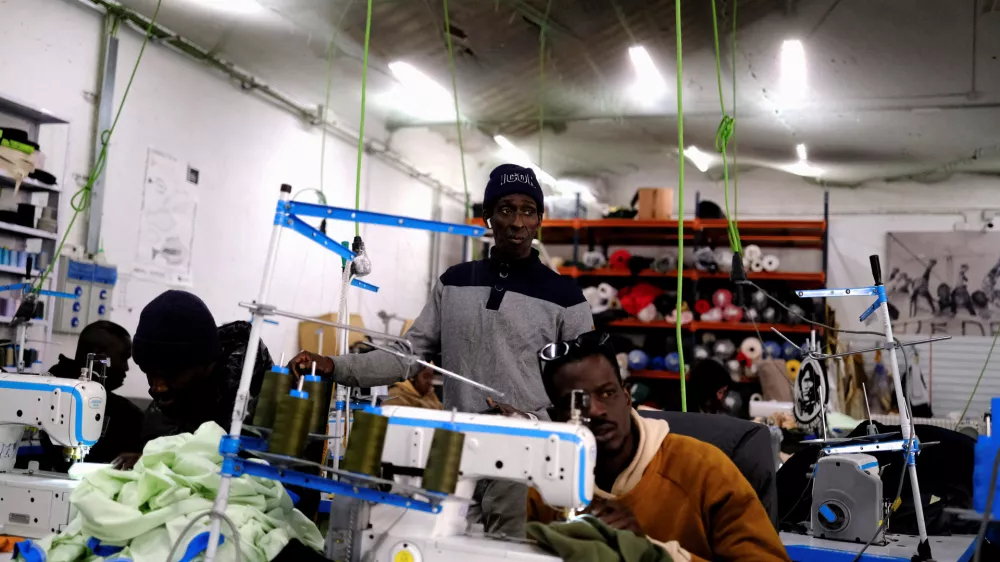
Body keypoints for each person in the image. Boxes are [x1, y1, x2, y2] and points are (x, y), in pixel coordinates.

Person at [289, 163, 594, 537]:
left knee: (508, 553)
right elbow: (407, 355)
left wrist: (533, 420)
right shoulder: (454, 282)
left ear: (539, 221)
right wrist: (332, 364)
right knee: (440, 546)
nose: (517, 222)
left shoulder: (566, 297)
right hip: (453, 452)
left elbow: (583, 391)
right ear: (488, 219)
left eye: (527, 210)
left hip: (525, 455)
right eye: (506, 209)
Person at [529, 333, 789, 562]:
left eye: (607, 393)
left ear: (627, 397)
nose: (595, 410)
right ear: (558, 416)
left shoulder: (705, 469)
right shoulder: (547, 489)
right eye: (577, 402)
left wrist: (651, 553)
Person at [127, 290, 273, 464]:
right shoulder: (168, 404)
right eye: (148, 373)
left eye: (170, 374)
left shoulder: (252, 405)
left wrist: (162, 461)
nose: (157, 387)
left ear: (206, 364)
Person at [39, 321, 143, 468]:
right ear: (100, 357)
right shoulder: (51, 390)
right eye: (123, 357)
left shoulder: (127, 414)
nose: (126, 367)